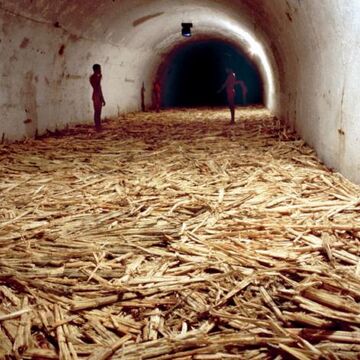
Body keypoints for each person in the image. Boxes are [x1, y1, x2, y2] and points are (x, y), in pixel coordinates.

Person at [89, 64, 106, 131]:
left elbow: (99, 89)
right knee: (97, 112)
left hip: (98, 95)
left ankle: (98, 125)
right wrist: (99, 79)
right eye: (99, 69)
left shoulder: (96, 77)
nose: (100, 70)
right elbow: (96, 87)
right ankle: (97, 126)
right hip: (96, 95)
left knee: (99, 112)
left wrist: (102, 98)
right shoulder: (93, 77)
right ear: (95, 70)